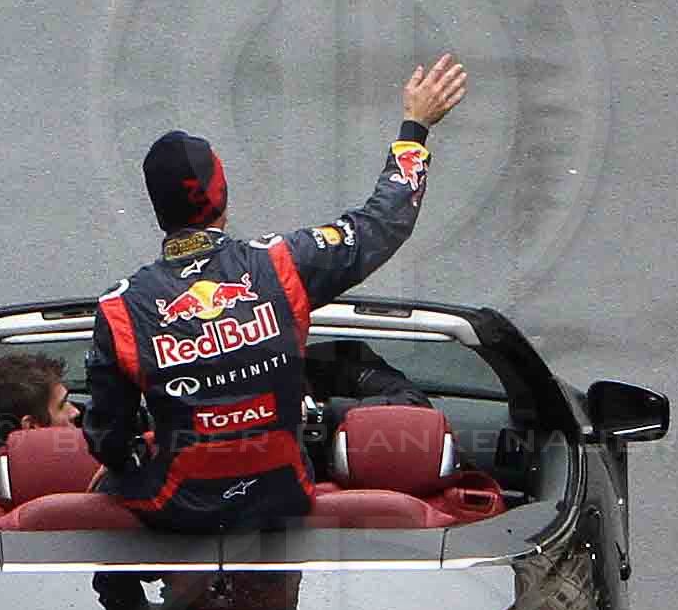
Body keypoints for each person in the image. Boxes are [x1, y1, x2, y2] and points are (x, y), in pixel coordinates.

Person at [75, 56, 466, 531]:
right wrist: (415, 127)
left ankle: (122, 607)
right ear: (222, 193)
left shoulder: (120, 307)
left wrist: (131, 455)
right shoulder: (281, 265)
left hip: (175, 512)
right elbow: (382, 224)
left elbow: (107, 438)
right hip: (283, 497)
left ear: (158, 210)